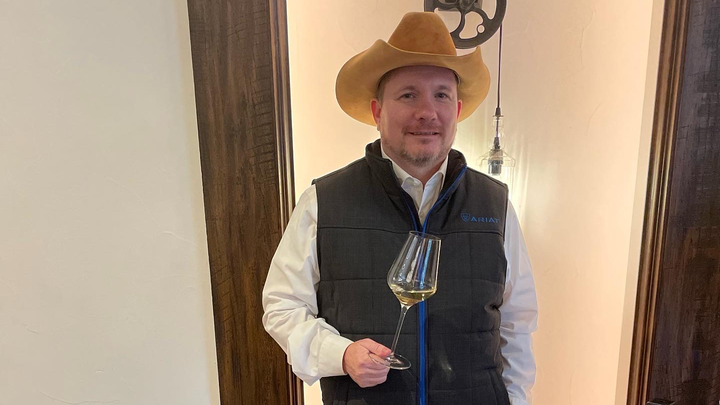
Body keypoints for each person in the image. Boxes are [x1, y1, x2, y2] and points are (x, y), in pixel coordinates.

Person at [262, 11, 538, 405]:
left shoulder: (496, 204)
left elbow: (517, 325)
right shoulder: (324, 201)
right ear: (378, 112)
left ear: (458, 110)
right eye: (409, 94)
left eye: (441, 95)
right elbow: (282, 305)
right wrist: (340, 354)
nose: (427, 111)